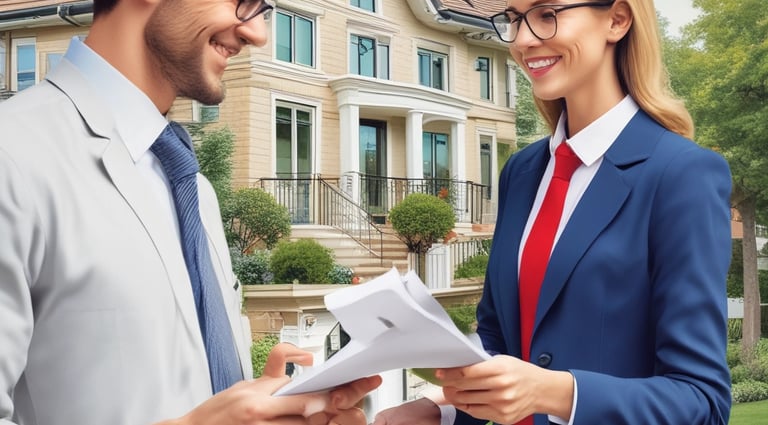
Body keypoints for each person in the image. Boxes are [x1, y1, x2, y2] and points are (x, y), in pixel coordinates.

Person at [0, 0, 380, 424]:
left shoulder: (193, 187)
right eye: (242, 2)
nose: (258, 35)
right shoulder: (12, 155)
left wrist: (264, 409)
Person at [373, 0, 732, 424]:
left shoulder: (681, 174)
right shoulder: (522, 172)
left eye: (547, 14)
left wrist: (554, 392)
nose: (523, 40)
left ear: (617, 19)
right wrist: (438, 410)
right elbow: (499, 340)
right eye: (513, 19)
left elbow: (702, 401)